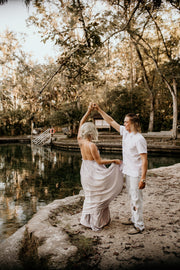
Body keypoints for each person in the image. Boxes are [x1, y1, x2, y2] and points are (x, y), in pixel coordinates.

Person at [93, 104, 148, 234]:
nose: (124, 124)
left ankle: (139, 225)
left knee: (136, 198)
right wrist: (99, 109)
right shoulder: (125, 132)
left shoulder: (139, 139)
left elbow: (145, 160)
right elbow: (111, 121)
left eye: (126, 122)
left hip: (136, 173)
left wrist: (143, 178)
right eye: (124, 122)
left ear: (133, 123)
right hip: (128, 171)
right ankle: (134, 219)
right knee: (131, 196)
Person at [77, 104, 123, 231]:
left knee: (91, 195)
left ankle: (87, 221)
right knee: (99, 195)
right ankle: (98, 222)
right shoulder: (91, 146)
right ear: (92, 132)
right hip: (94, 170)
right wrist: (114, 160)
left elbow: (81, 122)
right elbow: (99, 161)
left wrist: (88, 111)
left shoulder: (80, 141)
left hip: (85, 170)